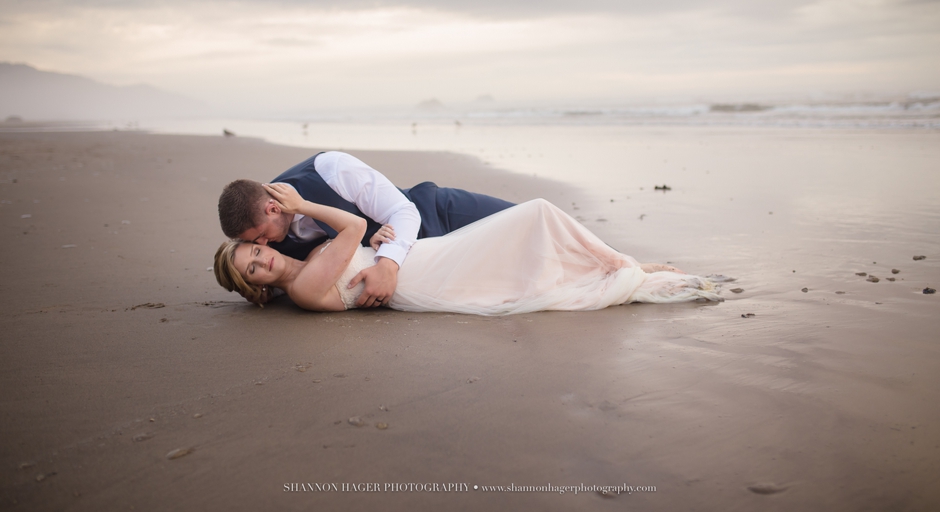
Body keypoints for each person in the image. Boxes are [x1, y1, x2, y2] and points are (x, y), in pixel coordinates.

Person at [214, 183, 723, 316]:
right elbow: (351, 225)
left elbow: (357, 241)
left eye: (254, 251)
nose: (264, 258)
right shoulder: (304, 286)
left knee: (525, 250)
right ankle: (623, 267)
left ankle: (622, 266)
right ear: (256, 287)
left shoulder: (309, 265)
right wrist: (303, 204)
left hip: (420, 260)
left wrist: (375, 242)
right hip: (425, 275)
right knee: (537, 215)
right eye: (253, 269)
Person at [218, 151, 514, 307]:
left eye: (261, 237)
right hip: (429, 270)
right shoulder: (268, 245)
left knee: (525, 223)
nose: (264, 245)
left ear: (273, 209)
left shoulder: (330, 169)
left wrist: (387, 265)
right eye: (255, 244)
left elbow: (403, 211)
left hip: (437, 215)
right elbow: (295, 274)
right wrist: (260, 291)